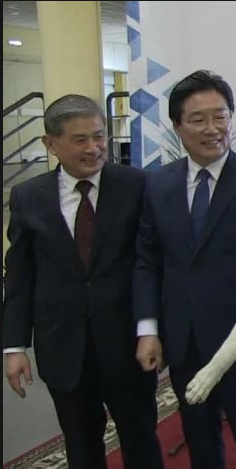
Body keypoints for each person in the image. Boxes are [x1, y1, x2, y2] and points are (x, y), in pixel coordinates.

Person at [133, 70, 236, 469]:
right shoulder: (158, 185)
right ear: (177, 126)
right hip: (183, 340)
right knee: (200, 442)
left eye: (220, 116)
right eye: (198, 119)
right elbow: (147, 260)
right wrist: (148, 329)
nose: (212, 128)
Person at [3, 94, 163, 469]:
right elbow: (20, 276)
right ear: (51, 143)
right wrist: (14, 346)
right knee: (81, 446)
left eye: (99, 136)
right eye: (80, 140)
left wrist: (152, 328)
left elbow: (152, 262)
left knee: (141, 440)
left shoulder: (138, 186)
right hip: (63, 346)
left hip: (127, 344)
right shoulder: (28, 197)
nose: (94, 148)